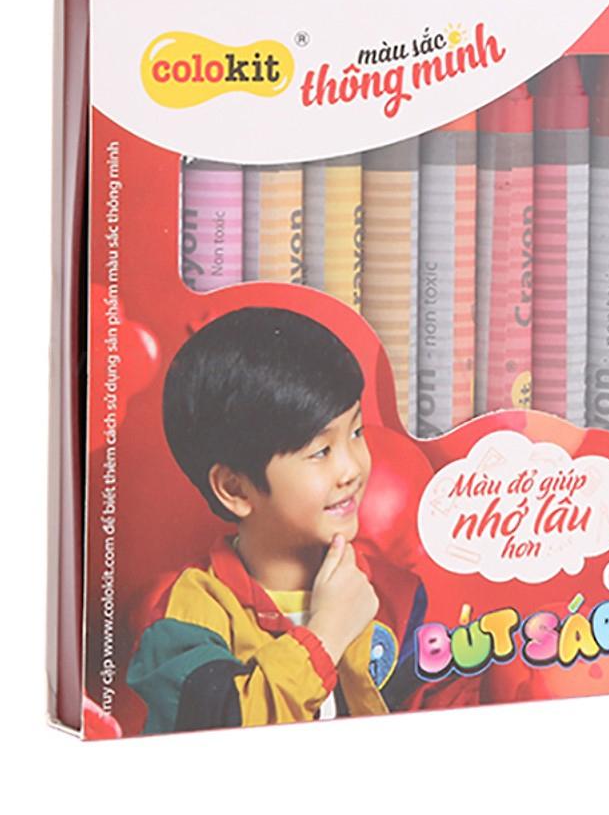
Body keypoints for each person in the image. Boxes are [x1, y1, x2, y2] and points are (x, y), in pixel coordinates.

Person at [128, 306, 453, 732]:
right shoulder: (187, 615)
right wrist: (328, 633)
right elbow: (222, 729)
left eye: (356, 433)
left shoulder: (396, 593)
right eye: (321, 451)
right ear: (235, 489)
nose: (351, 469)